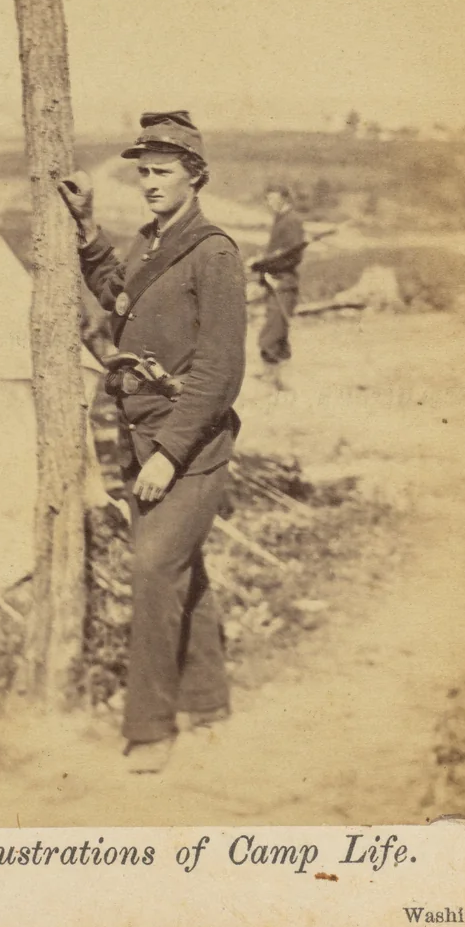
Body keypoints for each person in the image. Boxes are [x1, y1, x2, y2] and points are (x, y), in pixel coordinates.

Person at [58, 111, 247, 774]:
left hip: (190, 451)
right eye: (142, 172)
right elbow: (119, 296)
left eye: (162, 172)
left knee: (151, 569)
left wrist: (168, 453)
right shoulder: (148, 242)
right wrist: (86, 230)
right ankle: (210, 702)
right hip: (142, 443)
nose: (149, 183)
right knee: (180, 571)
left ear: (195, 176)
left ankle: (150, 727)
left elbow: (222, 370)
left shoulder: (215, 252)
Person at [250, 184, 306, 388]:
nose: (270, 203)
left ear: (285, 198)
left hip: (283, 282)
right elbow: (280, 252)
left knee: (272, 333)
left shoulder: (291, 221)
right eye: (267, 199)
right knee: (278, 330)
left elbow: (292, 256)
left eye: (274, 198)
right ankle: (281, 380)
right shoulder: (281, 219)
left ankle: (272, 379)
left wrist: (263, 263)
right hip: (276, 281)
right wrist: (264, 262)